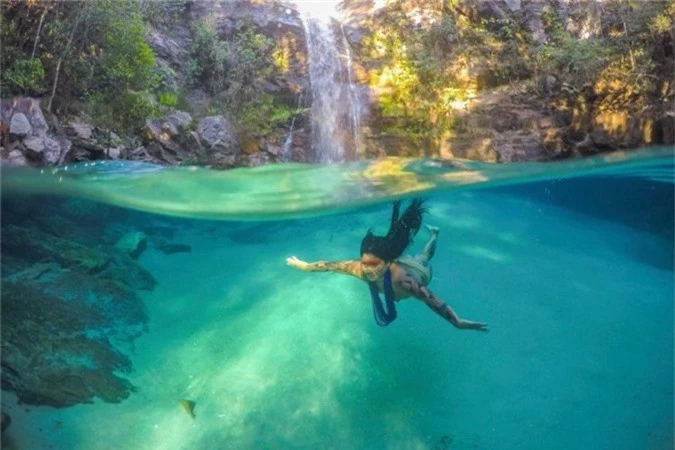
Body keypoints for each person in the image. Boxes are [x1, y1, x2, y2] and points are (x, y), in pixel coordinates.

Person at [286, 199, 488, 330]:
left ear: (386, 262)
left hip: (418, 270)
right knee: (418, 257)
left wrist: (457, 321)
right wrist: (305, 266)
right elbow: (330, 265)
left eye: (374, 265)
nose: (368, 269)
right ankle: (432, 235)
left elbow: (431, 300)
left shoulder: (404, 281)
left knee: (424, 257)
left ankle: (434, 234)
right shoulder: (360, 269)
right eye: (365, 263)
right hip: (396, 267)